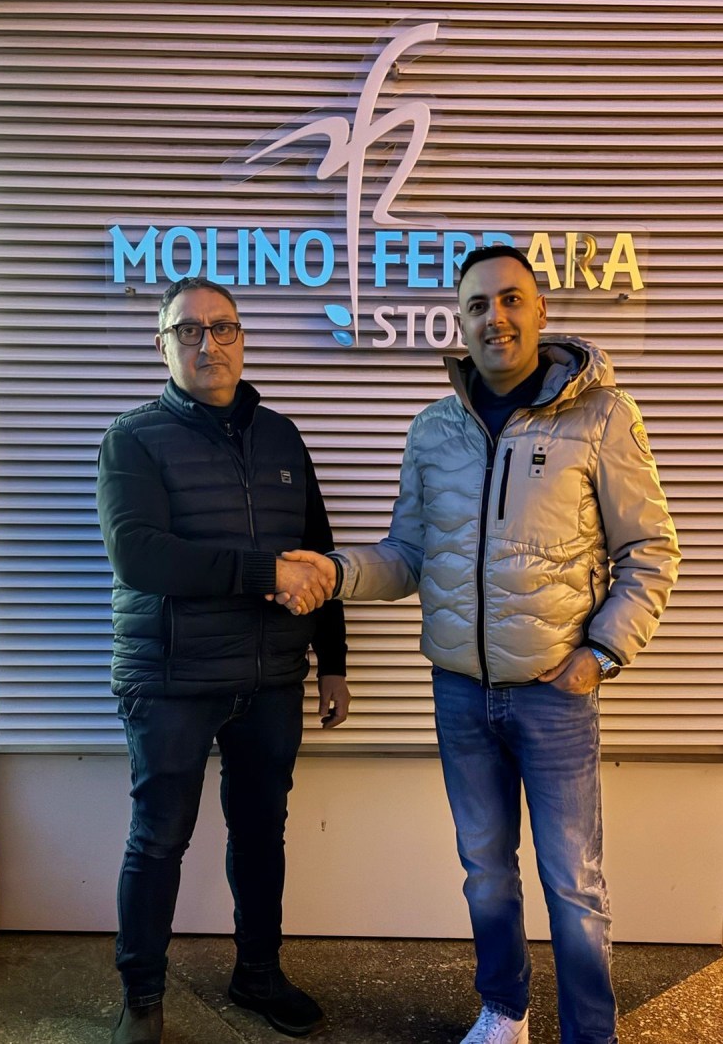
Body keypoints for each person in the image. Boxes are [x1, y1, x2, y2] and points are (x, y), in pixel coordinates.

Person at [285, 245, 679, 1044]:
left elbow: (651, 550)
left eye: (510, 299)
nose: (494, 317)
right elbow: (408, 556)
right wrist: (334, 570)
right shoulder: (433, 430)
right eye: (476, 305)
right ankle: (506, 1010)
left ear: (540, 311)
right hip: (461, 691)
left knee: (573, 884)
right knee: (486, 871)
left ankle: (591, 1032)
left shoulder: (601, 416)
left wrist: (601, 653)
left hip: (555, 693)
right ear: (459, 323)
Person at [96, 276, 348, 1044]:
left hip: (270, 677)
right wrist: (262, 571)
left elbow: (317, 552)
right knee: (158, 838)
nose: (209, 343)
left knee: (262, 832)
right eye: (189, 330)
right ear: (163, 345)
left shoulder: (282, 437)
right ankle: (141, 996)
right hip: (171, 679)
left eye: (223, 327)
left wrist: (333, 660)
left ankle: (258, 973)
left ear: (242, 339)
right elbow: (140, 555)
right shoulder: (133, 439)